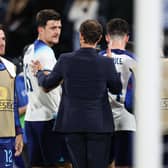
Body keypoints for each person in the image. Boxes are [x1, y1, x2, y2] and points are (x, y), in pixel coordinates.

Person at [32, 19, 122, 168]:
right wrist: (112, 65)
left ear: (80, 36)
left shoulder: (65, 59)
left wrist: (40, 72)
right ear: (99, 38)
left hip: (72, 124)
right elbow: (116, 88)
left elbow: (48, 83)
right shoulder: (106, 62)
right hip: (98, 125)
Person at [23, 9, 71, 168]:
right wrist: (66, 74)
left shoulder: (30, 50)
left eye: (59, 27)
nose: (57, 32)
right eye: (53, 28)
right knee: (64, 165)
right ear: (40, 29)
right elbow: (47, 85)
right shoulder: (46, 53)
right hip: (49, 118)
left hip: (32, 119)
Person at [99, 18, 136, 168]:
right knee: (124, 165)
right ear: (127, 37)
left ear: (107, 37)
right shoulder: (135, 60)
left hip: (102, 120)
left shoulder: (98, 58)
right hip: (127, 120)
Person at [0, 24, 23, 168]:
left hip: (7, 138)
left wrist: (18, 132)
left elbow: (13, 104)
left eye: (3, 39)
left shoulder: (11, 68)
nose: (1, 43)